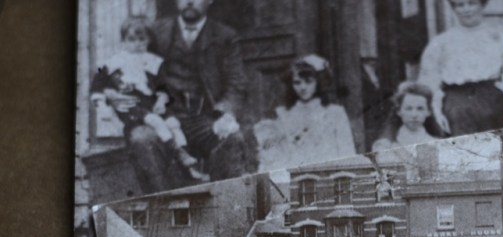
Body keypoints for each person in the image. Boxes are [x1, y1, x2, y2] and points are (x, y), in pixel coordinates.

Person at [122, 0, 254, 194]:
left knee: (232, 137)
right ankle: (165, 204)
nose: (189, 2)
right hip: (164, 117)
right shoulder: (155, 32)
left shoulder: (225, 36)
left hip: (205, 119)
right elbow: (130, 65)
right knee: (142, 138)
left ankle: (222, 203)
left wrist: (225, 114)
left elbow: (237, 83)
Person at [90, 16, 206, 182]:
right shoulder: (113, 62)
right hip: (132, 106)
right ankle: (179, 153)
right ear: (123, 41)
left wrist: (161, 100)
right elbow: (97, 85)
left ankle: (188, 166)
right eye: (131, 39)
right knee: (156, 122)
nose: (137, 44)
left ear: (148, 40)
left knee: (173, 123)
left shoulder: (153, 62)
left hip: (151, 104)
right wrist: (104, 101)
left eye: (142, 39)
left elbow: (162, 86)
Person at [418, 0, 503, 136]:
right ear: (454, 9)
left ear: (482, 5)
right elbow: (428, 83)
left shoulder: (499, 40)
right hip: (455, 104)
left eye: (472, 3)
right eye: (460, 5)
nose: (466, 9)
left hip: (492, 101)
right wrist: (436, 113)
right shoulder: (440, 43)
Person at [254, 54, 356, 172]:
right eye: (297, 83)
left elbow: (347, 152)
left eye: (308, 82)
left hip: (329, 173)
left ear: (318, 82)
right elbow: (275, 158)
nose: (303, 87)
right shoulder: (285, 115)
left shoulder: (335, 113)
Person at [372, 81, 444, 150]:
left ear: (428, 112)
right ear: (398, 111)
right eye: (408, 108)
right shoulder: (385, 146)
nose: (414, 115)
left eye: (420, 109)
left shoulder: (438, 144)